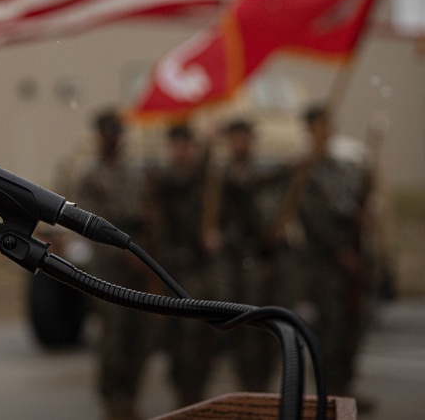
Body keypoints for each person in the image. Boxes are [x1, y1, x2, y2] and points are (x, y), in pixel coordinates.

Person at [278, 103, 373, 399]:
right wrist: (339, 251)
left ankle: (345, 388)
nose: (326, 131)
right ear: (310, 130)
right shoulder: (304, 170)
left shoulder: (342, 167)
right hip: (322, 262)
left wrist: (360, 213)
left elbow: (350, 205)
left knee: (352, 325)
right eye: (320, 126)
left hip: (351, 258)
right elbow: (312, 217)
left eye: (329, 125)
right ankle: (326, 392)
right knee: (327, 329)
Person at [72, 108, 155, 420]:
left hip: (139, 266)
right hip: (109, 270)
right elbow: (90, 226)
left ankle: (131, 398)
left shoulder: (134, 174)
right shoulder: (91, 176)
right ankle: (112, 400)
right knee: (114, 338)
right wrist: (125, 256)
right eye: (108, 133)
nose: (114, 139)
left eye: (118, 133)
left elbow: (146, 218)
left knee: (141, 337)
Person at [201, 117, 288, 393]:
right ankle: (249, 387)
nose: (242, 143)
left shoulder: (265, 173)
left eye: (246, 137)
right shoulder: (223, 174)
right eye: (236, 137)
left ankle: (264, 385)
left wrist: (279, 230)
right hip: (236, 262)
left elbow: (276, 206)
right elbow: (244, 186)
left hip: (266, 260)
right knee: (244, 329)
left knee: (270, 326)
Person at [149, 123, 219, 409]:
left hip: (201, 268)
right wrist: (209, 149)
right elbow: (183, 180)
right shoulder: (164, 177)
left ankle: (197, 392)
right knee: (180, 338)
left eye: (187, 144)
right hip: (173, 268)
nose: (183, 150)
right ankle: (183, 394)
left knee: (204, 335)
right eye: (178, 145)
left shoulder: (206, 181)